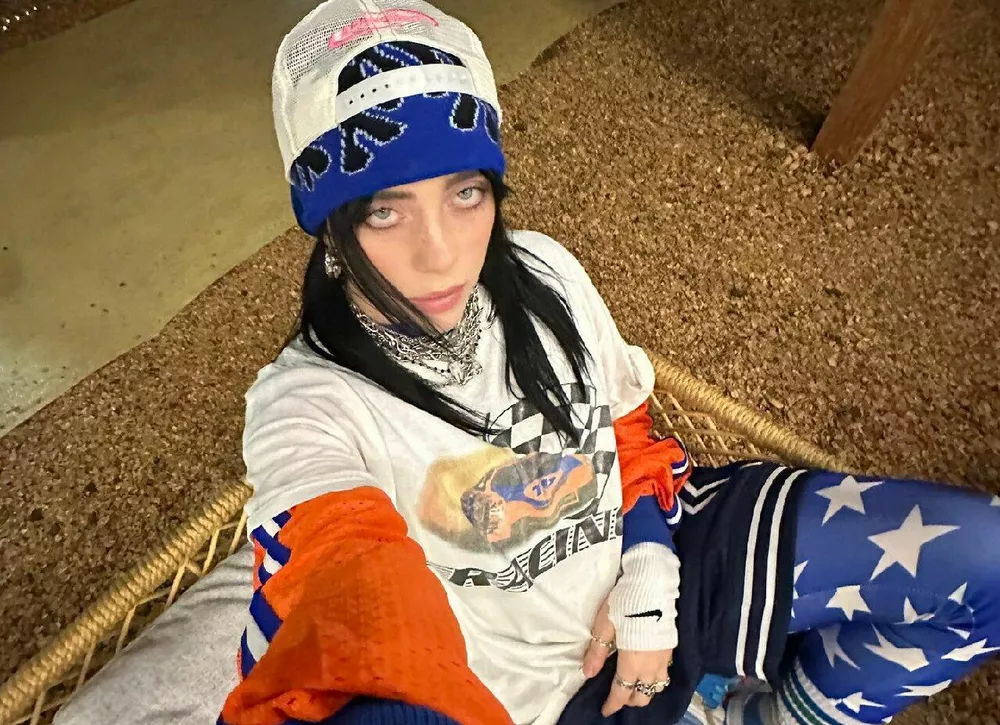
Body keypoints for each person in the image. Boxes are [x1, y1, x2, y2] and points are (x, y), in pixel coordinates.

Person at [218, 1, 1000, 724]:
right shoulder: (306, 406)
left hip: (664, 546)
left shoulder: (544, 270)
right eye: (384, 210)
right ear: (327, 224)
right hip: (532, 699)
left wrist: (650, 572)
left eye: (465, 193)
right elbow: (341, 599)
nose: (443, 254)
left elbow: (623, 424)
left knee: (985, 563)